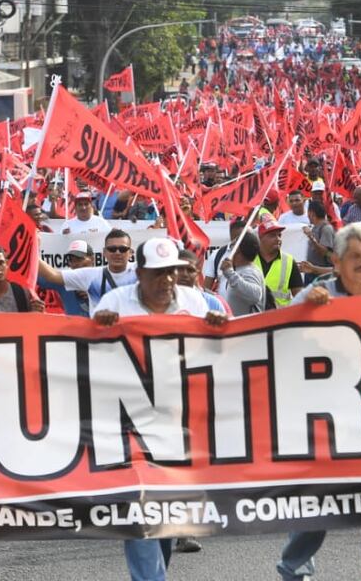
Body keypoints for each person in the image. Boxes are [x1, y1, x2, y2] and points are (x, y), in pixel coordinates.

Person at [92, 237, 227, 581]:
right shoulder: (115, 302)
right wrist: (99, 329)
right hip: (128, 423)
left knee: (166, 513)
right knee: (139, 512)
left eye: (171, 272)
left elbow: (213, 359)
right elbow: (88, 358)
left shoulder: (193, 301)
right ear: (139, 274)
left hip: (178, 423)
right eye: (157, 273)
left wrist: (216, 333)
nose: (167, 280)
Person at [279, 223, 361, 581]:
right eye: (355, 256)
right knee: (316, 508)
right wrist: (305, 311)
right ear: (336, 261)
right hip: (325, 423)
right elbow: (276, 334)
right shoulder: (315, 295)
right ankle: (294, 570)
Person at [38, 229, 136, 312]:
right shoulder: (89, 276)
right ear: (104, 252)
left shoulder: (140, 272)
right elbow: (51, 275)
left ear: (131, 253)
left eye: (123, 249)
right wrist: (32, 245)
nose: (117, 253)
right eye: (112, 249)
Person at [255, 219, 304, 309]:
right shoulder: (249, 259)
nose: (278, 239)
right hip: (253, 315)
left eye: (279, 235)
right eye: (272, 235)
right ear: (261, 237)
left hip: (279, 315)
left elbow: (299, 296)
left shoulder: (289, 261)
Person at [217, 232, 266, 316]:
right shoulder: (235, 270)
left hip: (247, 323)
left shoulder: (250, 272)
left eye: (233, 247)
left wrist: (230, 274)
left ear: (238, 250)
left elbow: (255, 296)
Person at [204, 220, 247, 296]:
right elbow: (206, 288)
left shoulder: (253, 254)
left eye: (245, 237)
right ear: (231, 236)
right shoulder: (217, 254)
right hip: (222, 302)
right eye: (239, 238)